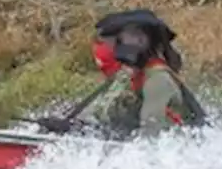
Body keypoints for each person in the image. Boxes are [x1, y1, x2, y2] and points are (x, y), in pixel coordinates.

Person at [36, 9, 206, 139]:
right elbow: (100, 116)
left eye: (120, 40)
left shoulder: (158, 80)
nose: (114, 47)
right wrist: (70, 126)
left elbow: (150, 141)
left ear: (141, 40)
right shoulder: (128, 77)